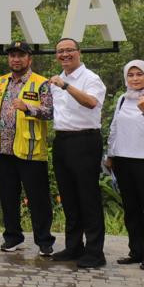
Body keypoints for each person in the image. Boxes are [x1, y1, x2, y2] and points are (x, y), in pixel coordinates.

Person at [0, 41, 56, 256]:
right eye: (12, 55)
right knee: (8, 197)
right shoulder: (1, 82)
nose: (15, 59)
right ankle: (12, 238)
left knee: (38, 200)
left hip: (30, 150)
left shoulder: (41, 83)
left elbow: (49, 112)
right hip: (4, 150)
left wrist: (28, 107)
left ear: (29, 59)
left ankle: (44, 241)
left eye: (20, 55)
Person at [48, 38, 108, 269]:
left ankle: (95, 252)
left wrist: (66, 86)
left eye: (69, 50)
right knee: (69, 197)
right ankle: (74, 246)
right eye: (60, 51)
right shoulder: (57, 79)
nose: (64, 54)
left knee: (88, 197)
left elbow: (92, 103)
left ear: (79, 52)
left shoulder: (90, 78)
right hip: (62, 140)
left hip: (85, 139)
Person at [106, 60, 144, 270]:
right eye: (130, 75)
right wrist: (110, 153)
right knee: (131, 209)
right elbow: (114, 127)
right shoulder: (123, 99)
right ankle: (136, 250)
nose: (135, 78)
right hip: (123, 160)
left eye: (139, 74)